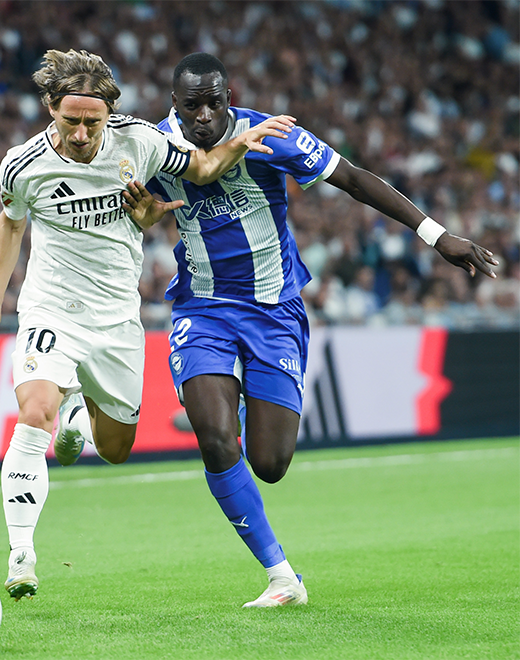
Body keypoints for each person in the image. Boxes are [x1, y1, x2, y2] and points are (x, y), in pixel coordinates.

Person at [123, 52, 498, 608]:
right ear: (174, 103)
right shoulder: (152, 145)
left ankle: (241, 404)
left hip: (274, 308)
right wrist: (142, 219)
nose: (203, 116)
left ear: (229, 99)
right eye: (191, 105)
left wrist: (436, 235)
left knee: (270, 465)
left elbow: (354, 179)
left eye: (214, 103)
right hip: (202, 307)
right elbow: (126, 213)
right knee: (214, 437)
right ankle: (281, 577)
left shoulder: (270, 136)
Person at [0, 48, 295, 601]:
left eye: (91, 122)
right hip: (52, 307)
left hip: (118, 317)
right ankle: (21, 555)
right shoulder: (22, 165)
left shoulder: (140, 141)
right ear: (50, 109)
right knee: (35, 411)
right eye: (69, 121)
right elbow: (10, 223)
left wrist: (241, 141)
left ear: (109, 114)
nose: (80, 134)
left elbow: (202, 167)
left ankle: (79, 414)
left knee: (117, 447)